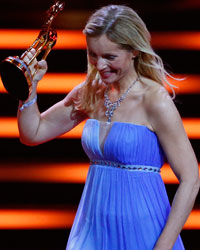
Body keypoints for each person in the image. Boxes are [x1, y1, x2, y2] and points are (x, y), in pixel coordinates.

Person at [17, 5, 199, 250]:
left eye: (110, 57)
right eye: (93, 55)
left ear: (134, 50)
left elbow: (191, 178)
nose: (100, 65)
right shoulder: (90, 93)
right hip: (92, 227)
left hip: (144, 230)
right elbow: (33, 133)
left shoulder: (155, 100)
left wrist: (163, 246)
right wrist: (28, 87)